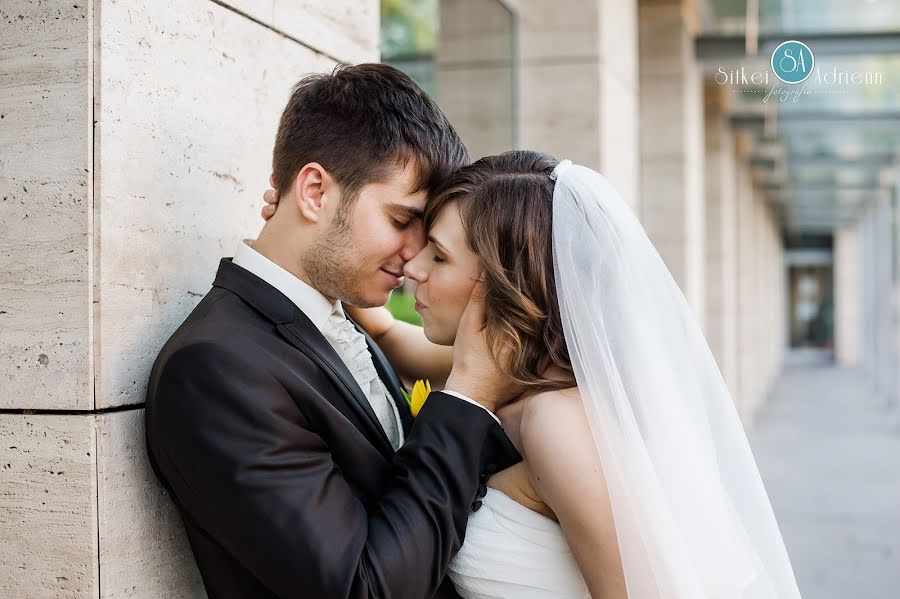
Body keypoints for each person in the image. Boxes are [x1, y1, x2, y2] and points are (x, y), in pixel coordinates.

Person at [266, 150, 802, 598]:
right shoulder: (510, 372)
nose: (413, 268)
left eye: (439, 256)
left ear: (508, 287)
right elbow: (387, 336)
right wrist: (304, 235)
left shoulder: (555, 420)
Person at [144, 64, 521, 599]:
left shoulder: (339, 319)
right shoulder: (216, 369)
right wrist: (464, 402)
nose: (415, 256)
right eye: (399, 221)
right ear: (315, 191)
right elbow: (361, 588)